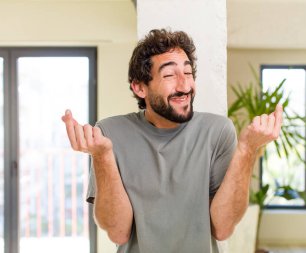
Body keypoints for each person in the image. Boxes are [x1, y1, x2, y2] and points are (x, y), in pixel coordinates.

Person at [61, 29, 282, 253]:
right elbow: (118, 232)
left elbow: (222, 228)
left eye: (187, 73)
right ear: (140, 87)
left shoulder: (217, 131)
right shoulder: (109, 133)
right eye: (169, 75)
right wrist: (102, 156)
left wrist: (247, 149)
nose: (184, 85)